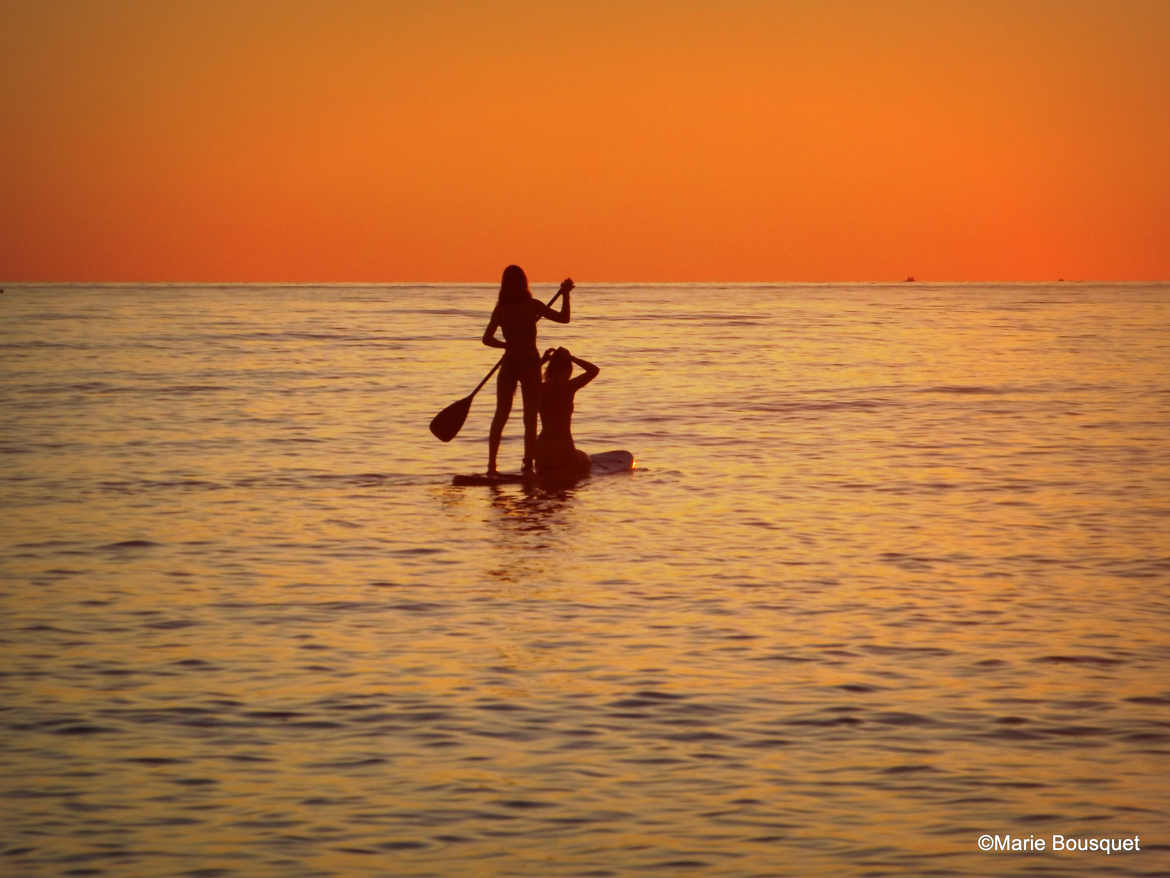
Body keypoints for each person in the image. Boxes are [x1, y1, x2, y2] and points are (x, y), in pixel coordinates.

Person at [482, 266, 573, 475]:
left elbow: (487, 339)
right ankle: (528, 465)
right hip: (530, 365)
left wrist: (507, 346)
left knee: (500, 415)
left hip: (510, 363)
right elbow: (564, 318)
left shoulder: (501, 310)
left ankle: (491, 466)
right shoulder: (532, 306)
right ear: (524, 283)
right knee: (530, 417)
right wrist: (566, 295)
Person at [534, 346, 599, 483]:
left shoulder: (539, 387)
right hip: (564, 449)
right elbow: (594, 370)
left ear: (550, 369)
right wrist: (573, 358)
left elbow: (527, 376)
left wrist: (543, 360)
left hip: (542, 451)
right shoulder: (570, 387)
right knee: (585, 459)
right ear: (568, 369)